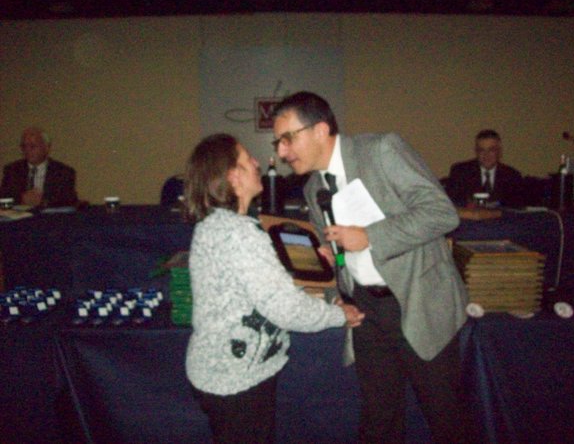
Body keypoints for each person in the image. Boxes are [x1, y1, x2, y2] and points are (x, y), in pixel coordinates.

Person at [271, 92, 469, 443]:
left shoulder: (381, 150)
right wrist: (334, 283)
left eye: (288, 139)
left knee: (446, 418)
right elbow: (339, 255)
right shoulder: (314, 188)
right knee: (379, 418)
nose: (282, 152)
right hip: (366, 311)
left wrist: (370, 237)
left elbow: (442, 214)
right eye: (278, 142)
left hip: (417, 301)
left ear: (320, 130)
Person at [183, 133, 364, 444]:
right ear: (233, 176)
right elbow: (285, 308)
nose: (257, 163)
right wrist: (339, 315)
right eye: (248, 159)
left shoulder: (219, 224)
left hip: (227, 372)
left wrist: (314, 266)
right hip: (234, 380)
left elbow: (257, 287)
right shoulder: (237, 233)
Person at [0, 126, 78, 208]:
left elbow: (70, 202)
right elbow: (3, 200)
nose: (27, 150)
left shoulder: (63, 172)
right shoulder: (13, 170)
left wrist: (43, 201)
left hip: (49, 215)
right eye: (24, 146)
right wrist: (21, 199)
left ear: (47, 148)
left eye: (32, 146)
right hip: (19, 215)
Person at [445, 129, 524, 207]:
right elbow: (451, 203)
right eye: (481, 150)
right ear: (476, 152)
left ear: (499, 152)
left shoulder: (512, 176)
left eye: (491, 150)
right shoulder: (461, 172)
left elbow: (517, 206)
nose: (486, 155)